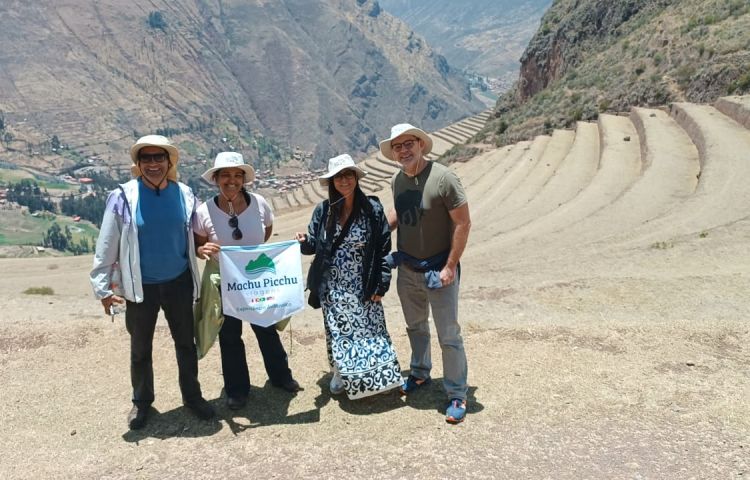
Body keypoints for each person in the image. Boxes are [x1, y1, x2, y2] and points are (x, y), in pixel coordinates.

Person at [90, 134, 215, 430]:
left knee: (186, 343)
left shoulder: (184, 194)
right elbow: (106, 244)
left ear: (169, 161)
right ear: (138, 164)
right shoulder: (122, 197)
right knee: (140, 347)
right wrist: (103, 289)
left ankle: (192, 397)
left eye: (159, 157)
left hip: (179, 282)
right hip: (140, 287)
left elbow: (195, 235)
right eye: (146, 158)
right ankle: (142, 402)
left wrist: (202, 249)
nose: (153, 163)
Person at [193, 152, 301, 411]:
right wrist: (202, 251)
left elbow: (265, 232)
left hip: (256, 280)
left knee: (266, 328)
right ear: (216, 179)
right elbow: (198, 244)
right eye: (226, 175)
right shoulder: (203, 211)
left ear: (243, 179)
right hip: (224, 283)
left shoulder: (260, 203)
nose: (232, 180)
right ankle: (237, 389)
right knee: (229, 336)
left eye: (237, 175)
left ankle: (281, 376)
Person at [380, 123, 472, 424]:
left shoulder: (444, 179)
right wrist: (378, 230)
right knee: (415, 326)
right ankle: (420, 374)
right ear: (393, 152)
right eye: (398, 146)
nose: (403, 150)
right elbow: (400, 212)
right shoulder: (398, 180)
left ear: (421, 145)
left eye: (409, 144)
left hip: (439, 270)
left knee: (449, 334)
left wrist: (449, 266)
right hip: (407, 269)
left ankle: (457, 393)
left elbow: (463, 223)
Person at [295, 154, 402, 399]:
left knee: (370, 329)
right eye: (338, 176)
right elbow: (314, 245)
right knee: (340, 331)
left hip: (364, 280)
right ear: (332, 181)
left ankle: (376, 375)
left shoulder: (372, 209)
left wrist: (381, 284)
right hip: (333, 284)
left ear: (356, 177)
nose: (344, 180)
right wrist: (304, 242)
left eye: (348, 174)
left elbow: (383, 249)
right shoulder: (323, 211)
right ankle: (341, 372)